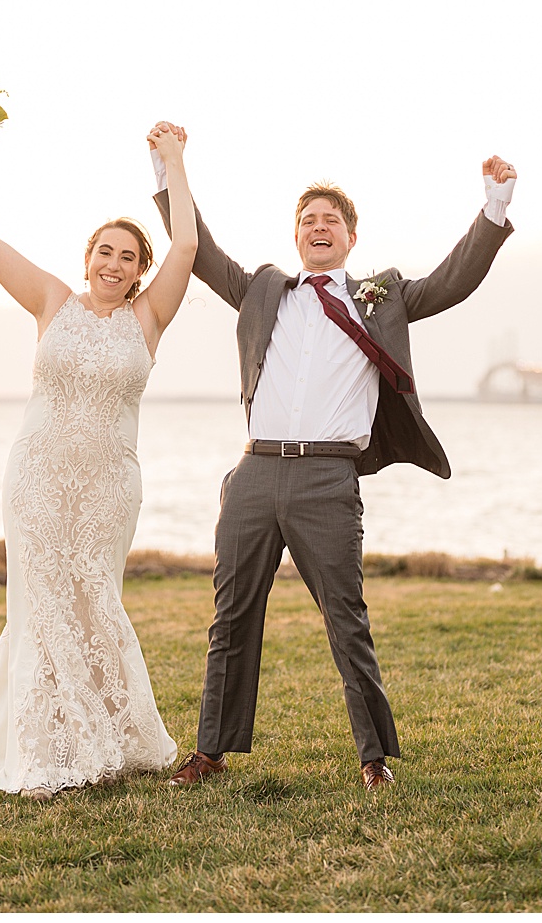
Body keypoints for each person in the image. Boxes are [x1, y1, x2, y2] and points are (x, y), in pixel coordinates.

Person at [152, 124, 516, 792]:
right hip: (254, 473)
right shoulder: (264, 290)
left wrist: (494, 205)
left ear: (350, 236)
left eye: (331, 220)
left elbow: (454, 281)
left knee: (346, 617)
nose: (319, 226)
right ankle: (210, 751)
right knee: (231, 615)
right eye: (308, 219)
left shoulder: (381, 297)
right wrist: (165, 168)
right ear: (297, 237)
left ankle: (372, 758)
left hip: (327, 476)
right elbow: (197, 249)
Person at [0, 124, 198, 798]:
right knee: (41, 607)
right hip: (35, 478)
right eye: (105, 251)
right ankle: (49, 748)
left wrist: (174, 161)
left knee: (95, 603)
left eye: (128, 257)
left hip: (107, 488)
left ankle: (109, 732)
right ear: (87, 255)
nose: (114, 264)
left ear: (139, 271)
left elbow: (186, 242)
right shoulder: (51, 301)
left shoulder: (149, 318)